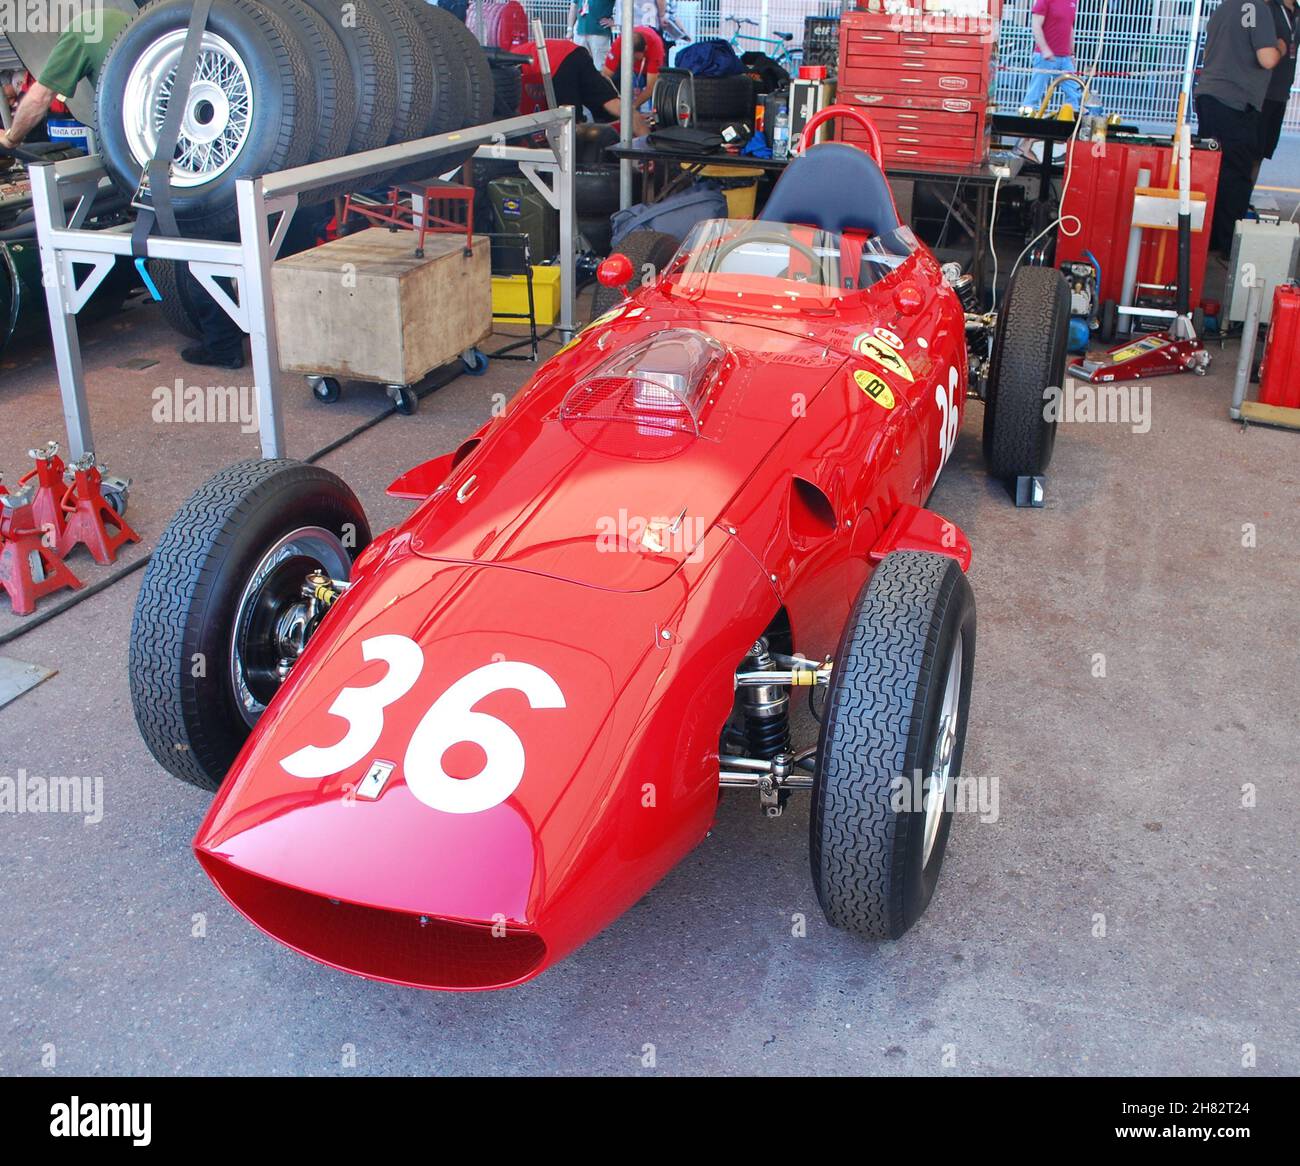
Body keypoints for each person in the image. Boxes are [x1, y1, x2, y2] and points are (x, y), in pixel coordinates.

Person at [1195, 0, 1282, 255]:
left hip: (1209, 96)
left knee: (1212, 172)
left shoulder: (1224, 8)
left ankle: (1206, 240)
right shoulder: (1258, 8)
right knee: (1235, 176)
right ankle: (1226, 245)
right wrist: (1279, 46)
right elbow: (1266, 58)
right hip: (1235, 102)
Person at [0, 7, 130, 150]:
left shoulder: (82, 29)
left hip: (127, 137)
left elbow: (39, 99)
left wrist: (11, 138)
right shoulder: (121, 16)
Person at [517, 39, 649, 135]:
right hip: (577, 52)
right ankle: (650, 148)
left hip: (557, 64)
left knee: (569, 125)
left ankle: (574, 167)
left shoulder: (504, 64)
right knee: (613, 103)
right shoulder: (519, 52)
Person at [1016, 0, 1081, 158]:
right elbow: (1036, 25)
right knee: (1034, 97)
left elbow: (1070, 27)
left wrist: (1071, 53)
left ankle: (1069, 137)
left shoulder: (1073, 1)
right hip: (1045, 56)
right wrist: (1044, 49)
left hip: (1064, 58)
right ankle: (1024, 141)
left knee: (1074, 94)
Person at [1260, 0, 1298, 163]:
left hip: (1281, 92)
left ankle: (1247, 189)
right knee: (1249, 152)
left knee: (1263, 153)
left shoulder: (1297, 12)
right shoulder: (1268, 8)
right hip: (1261, 92)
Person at [601, 26, 665, 106]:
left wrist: (632, 108)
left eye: (635, 58)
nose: (632, 61)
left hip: (650, 69)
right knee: (627, 93)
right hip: (633, 72)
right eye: (629, 57)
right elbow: (605, 76)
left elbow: (651, 88)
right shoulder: (618, 44)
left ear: (645, 49)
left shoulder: (655, 48)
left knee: (656, 97)